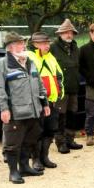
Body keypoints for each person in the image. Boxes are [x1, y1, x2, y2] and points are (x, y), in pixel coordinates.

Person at [0, 32, 49, 184]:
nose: (23, 46)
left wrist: (45, 103)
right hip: (16, 113)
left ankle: (24, 167)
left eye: (23, 43)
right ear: (11, 47)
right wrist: (4, 108)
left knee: (29, 141)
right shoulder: (1, 65)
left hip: (34, 111)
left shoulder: (30, 62)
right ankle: (13, 172)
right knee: (12, 144)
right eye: (20, 43)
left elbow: (39, 84)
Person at [27, 31, 65, 171]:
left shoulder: (51, 57)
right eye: (43, 43)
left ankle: (45, 157)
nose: (47, 45)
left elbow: (59, 75)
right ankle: (36, 160)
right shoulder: (28, 57)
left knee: (50, 130)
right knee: (37, 132)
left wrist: (59, 92)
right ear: (35, 44)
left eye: (47, 42)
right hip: (37, 103)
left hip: (52, 101)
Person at [50, 19, 82, 153]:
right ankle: (60, 142)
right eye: (65, 32)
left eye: (70, 32)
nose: (68, 35)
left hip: (73, 86)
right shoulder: (53, 47)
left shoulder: (75, 47)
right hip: (60, 89)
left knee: (72, 114)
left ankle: (70, 139)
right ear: (60, 34)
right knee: (60, 116)